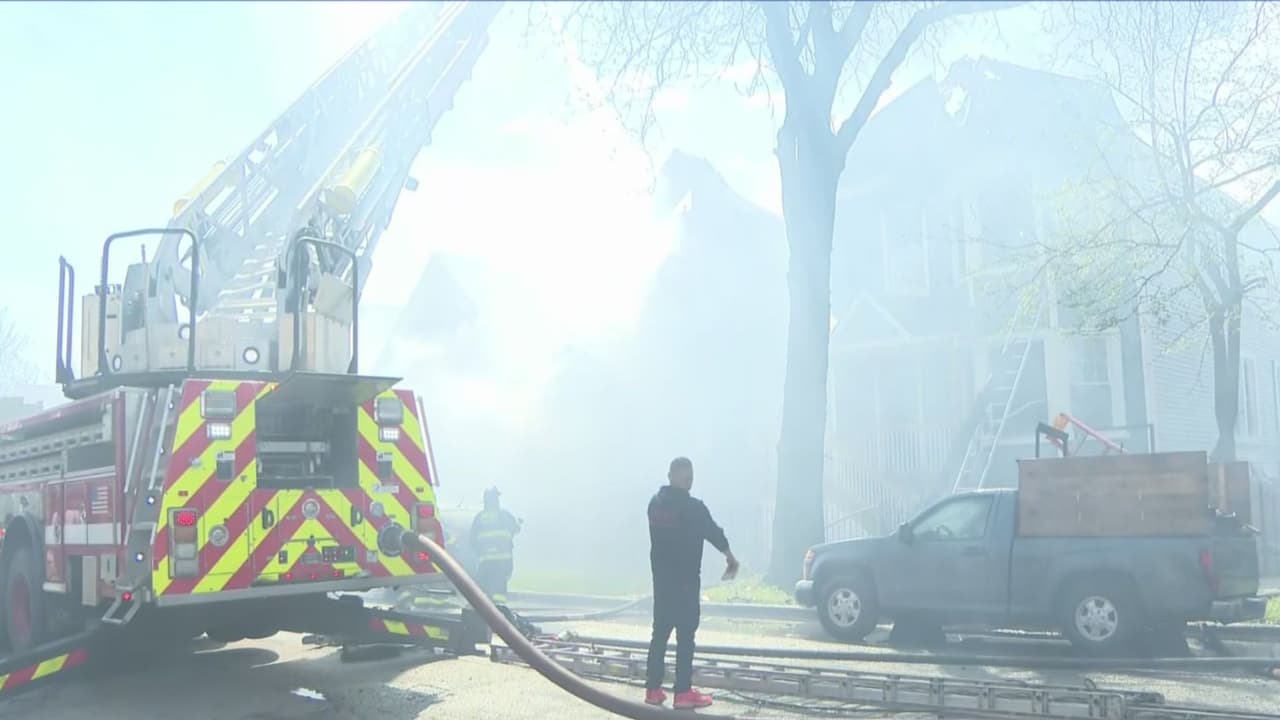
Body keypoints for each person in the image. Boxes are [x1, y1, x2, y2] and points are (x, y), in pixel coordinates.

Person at [644, 457, 738, 709]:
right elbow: (714, 533)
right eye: (689, 476)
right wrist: (731, 558)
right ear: (683, 478)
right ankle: (683, 692)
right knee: (686, 636)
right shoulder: (693, 508)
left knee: (660, 633)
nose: (691, 480)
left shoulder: (655, 505)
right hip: (685, 582)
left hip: (662, 582)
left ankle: (653, 689)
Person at [469, 487, 520, 604]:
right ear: (496, 500)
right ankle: (499, 611)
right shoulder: (504, 515)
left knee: (485, 589)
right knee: (499, 590)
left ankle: (486, 610)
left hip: (485, 561)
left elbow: (472, 539)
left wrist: (480, 551)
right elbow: (516, 528)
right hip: (502, 560)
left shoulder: (479, 518)